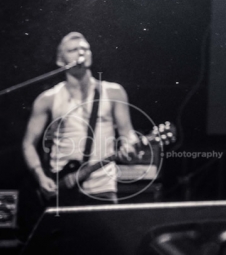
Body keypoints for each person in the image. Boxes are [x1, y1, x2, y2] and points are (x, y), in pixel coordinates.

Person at [22, 32, 139, 206]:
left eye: (85, 49)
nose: (81, 53)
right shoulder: (48, 99)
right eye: (73, 50)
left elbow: (128, 133)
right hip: (62, 187)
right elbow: (28, 144)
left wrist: (129, 145)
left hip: (102, 188)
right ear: (60, 60)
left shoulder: (113, 92)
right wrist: (40, 177)